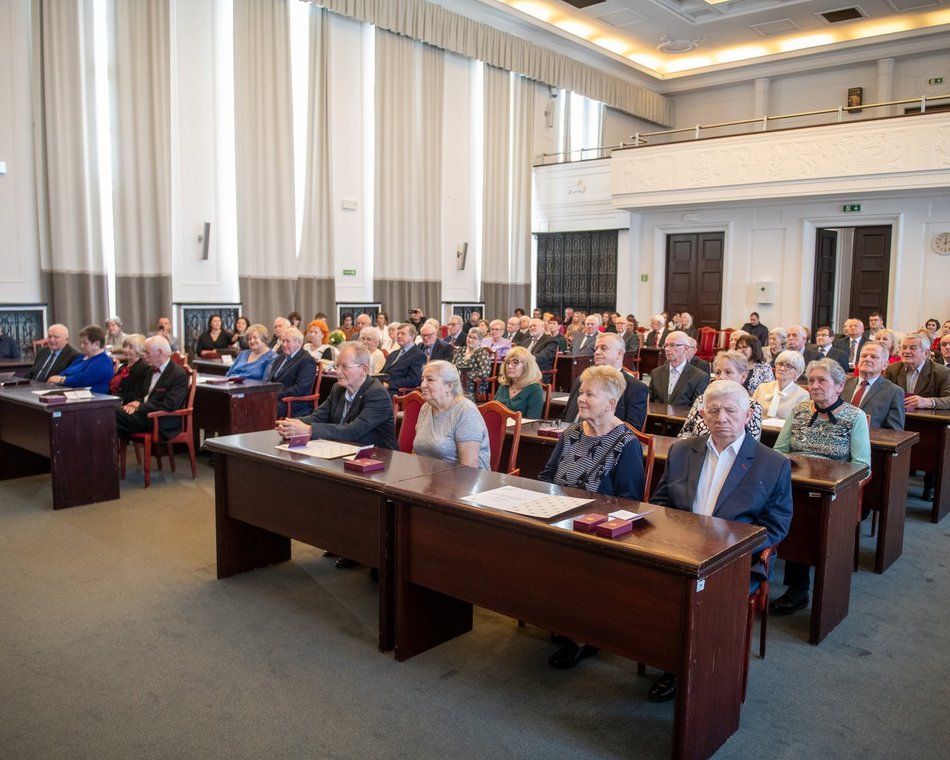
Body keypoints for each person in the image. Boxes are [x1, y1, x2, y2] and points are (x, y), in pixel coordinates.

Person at [647, 379, 793, 702]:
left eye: (730, 410)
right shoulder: (683, 451)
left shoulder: (772, 463)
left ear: (748, 413)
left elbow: (777, 525)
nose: (721, 417)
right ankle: (671, 661)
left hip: (736, 561)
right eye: (713, 410)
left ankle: (708, 668)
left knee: (707, 600)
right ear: (702, 413)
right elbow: (660, 504)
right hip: (680, 552)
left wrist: (730, 551)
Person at [540, 364, 646, 669]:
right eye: (581, 392)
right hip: (558, 518)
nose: (581, 399)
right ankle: (553, 617)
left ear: (611, 403)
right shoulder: (572, 432)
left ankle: (583, 637)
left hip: (595, 530)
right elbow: (547, 474)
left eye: (590, 394)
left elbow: (630, 502)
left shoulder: (625, 443)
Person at [771, 358, 871, 616]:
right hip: (796, 484)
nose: (814, 386)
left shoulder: (854, 417)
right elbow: (780, 451)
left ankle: (804, 589)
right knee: (783, 510)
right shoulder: (800, 409)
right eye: (811, 380)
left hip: (833, 491)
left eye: (822, 381)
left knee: (806, 518)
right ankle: (791, 586)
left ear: (839, 387)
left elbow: (862, 465)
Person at [277, 341, 397, 450]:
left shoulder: (377, 394)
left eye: (344, 367)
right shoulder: (338, 389)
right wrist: (291, 424)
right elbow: (318, 417)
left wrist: (309, 430)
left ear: (364, 369)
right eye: (337, 366)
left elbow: (354, 430)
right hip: (344, 449)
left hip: (378, 457)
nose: (338, 372)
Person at [884, 333, 950, 501]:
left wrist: (929, 402)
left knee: (931, 449)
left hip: (927, 426)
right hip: (899, 422)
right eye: (904, 347)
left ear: (926, 353)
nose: (906, 351)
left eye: (913, 348)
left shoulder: (941, 372)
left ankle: (931, 485)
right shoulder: (893, 369)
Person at [413, 360, 491, 469]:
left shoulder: (466, 411)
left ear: (449, 386)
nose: (422, 385)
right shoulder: (426, 407)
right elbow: (417, 452)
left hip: (463, 482)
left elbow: (469, 468)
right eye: (422, 379)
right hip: (430, 478)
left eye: (430, 380)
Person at [562, 333, 648, 431]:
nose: (597, 352)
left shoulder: (635, 388)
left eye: (603, 348)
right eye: (596, 349)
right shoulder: (582, 380)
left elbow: (632, 430)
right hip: (569, 437)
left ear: (619, 353)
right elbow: (566, 415)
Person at [115, 336, 190, 440]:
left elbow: (170, 405)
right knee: (109, 415)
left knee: (110, 415)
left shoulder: (177, 374)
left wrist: (140, 406)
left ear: (160, 352)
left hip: (160, 420)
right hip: (145, 414)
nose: (144, 356)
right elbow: (144, 396)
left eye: (147, 352)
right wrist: (134, 405)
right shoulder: (151, 370)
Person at [678, 351, 762, 440]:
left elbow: (752, 443)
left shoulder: (752, 406)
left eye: (728, 372)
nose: (721, 377)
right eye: (718, 372)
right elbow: (685, 432)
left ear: (743, 377)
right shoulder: (701, 400)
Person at [842, 342, 905, 430]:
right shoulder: (842, 384)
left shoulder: (893, 392)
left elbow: (894, 432)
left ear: (885, 365)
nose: (867, 359)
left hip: (870, 441)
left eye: (874, 357)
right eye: (864, 356)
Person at [48, 324, 114, 395]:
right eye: (81, 342)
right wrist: (57, 379)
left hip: (93, 399)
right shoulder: (82, 357)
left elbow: (84, 380)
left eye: (85, 343)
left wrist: (62, 380)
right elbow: (67, 371)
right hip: (72, 394)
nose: (81, 346)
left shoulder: (103, 361)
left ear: (97, 344)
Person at [648, 331, 710, 406]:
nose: (667, 349)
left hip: (682, 417)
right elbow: (650, 404)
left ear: (686, 349)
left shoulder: (699, 377)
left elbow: (696, 409)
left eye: (672, 345)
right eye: (666, 345)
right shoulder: (656, 373)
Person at [268, 327, 317, 418]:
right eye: (283, 341)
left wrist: (276, 395)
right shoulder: (279, 358)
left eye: (287, 341)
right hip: (276, 398)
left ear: (299, 343)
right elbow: (271, 380)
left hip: (293, 403)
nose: (284, 344)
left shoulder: (306, 360)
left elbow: (300, 389)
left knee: (262, 408)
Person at [752, 350, 809, 419]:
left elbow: (799, 422)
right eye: (780, 364)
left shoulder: (802, 395)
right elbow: (751, 412)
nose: (782, 368)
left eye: (788, 366)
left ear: (797, 373)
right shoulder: (762, 387)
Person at [493, 347, 544, 418]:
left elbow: (533, 420)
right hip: (499, 427)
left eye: (515, 362)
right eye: (507, 362)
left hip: (522, 428)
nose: (509, 366)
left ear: (527, 366)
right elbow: (492, 411)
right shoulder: (504, 386)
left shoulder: (535, 388)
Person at [381, 323, 425, 396]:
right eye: (398, 333)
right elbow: (382, 372)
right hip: (384, 388)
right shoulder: (393, 354)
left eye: (402, 333)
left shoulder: (418, 355)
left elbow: (414, 380)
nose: (399, 336)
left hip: (398, 392)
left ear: (412, 336)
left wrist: (390, 385)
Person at [453, 328, 493, 399]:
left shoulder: (481, 353)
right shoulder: (460, 350)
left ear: (480, 341)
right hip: (457, 380)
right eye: (469, 336)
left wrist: (465, 375)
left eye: (474, 338)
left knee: (462, 386)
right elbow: (452, 367)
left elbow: (485, 372)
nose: (470, 340)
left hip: (474, 384)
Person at [110, 334, 151, 402]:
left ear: (139, 349)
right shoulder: (124, 366)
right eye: (125, 346)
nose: (125, 350)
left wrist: (112, 397)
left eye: (130, 347)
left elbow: (137, 394)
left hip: (126, 404)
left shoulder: (144, 369)